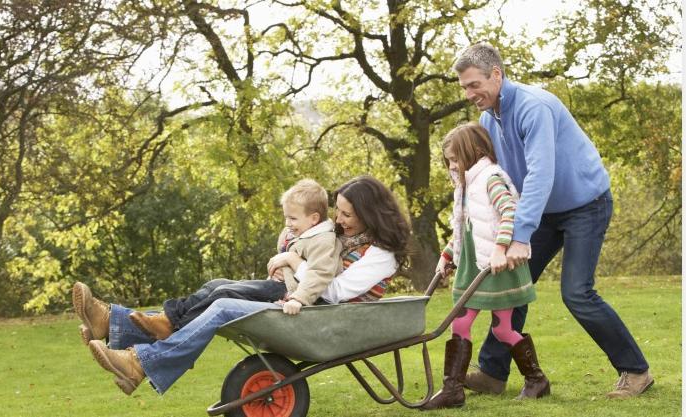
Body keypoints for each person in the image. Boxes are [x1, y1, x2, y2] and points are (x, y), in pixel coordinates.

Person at [72, 175, 411, 395]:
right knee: (219, 284)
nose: (339, 220)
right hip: (304, 307)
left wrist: (294, 262)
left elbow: (333, 291)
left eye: (347, 215)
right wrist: (291, 245)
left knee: (223, 306)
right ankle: (117, 325)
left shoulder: (381, 254)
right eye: (338, 212)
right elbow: (311, 247)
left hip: (321, 317)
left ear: (371, 214)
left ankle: (139, 359)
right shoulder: (345, 238)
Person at [452, 43, 652, 399]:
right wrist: (494, 229)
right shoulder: (487, 119)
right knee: (511, 285)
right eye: (464, 87)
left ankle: (636, 371)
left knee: (576, 292)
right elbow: (500, 179)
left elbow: (541, 175)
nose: (469, 94)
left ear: (496, 75)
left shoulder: (534, 107)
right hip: (540, 209)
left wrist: (519, 236)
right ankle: (493, 374)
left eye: (473, 85)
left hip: (585, 204)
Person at [421, 123, 548, 411]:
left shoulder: (491, 178)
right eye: (449, 161)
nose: (452, 165)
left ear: (474, 151)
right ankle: (452, 390)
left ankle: (536, 380)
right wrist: (447, 255)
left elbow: (510, 213)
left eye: (455, 159)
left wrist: (501, 250)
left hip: (496, 267)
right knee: (461, 321)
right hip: (473, 264)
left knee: (503, 329)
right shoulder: (465, 184)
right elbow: (466, 229)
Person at [123, 178, 344, 341]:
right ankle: (166, 319)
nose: (287, 223)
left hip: (289, 294)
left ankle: (175, 329)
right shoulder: (301, 232)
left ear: (314, 218)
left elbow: (319, 274)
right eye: (285, 217)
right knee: (215, 284)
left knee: (224, 294)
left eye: (292, 218)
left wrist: (299, 299)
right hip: (277, 284)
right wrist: (282, 258)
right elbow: (286, 252)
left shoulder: (323, 240)